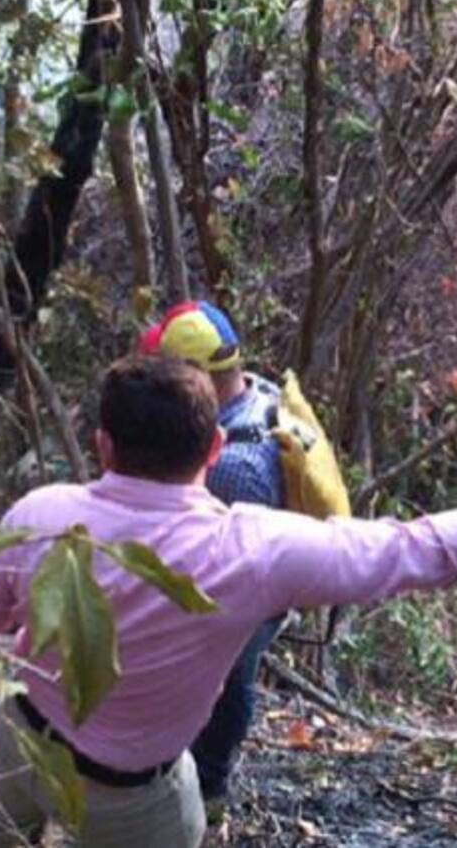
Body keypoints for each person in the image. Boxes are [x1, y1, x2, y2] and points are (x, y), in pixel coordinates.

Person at [0, 355, 457, 848]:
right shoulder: (253, 552)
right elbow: (419, 549)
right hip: (131, 794)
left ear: (102, 444)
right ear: (214, 448)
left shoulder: (41, 512)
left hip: (25, 736)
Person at [139, 301, 288, 806]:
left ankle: (209, 788)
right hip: (260, 579)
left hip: (245, 596)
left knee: (230, 683)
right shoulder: (259, 394)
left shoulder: (234, 465)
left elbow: (222, 565)